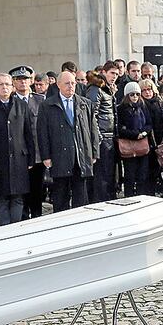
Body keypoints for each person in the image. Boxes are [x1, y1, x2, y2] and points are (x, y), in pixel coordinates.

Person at [37, 71, 99, 212]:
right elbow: (42, 133)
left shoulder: (85, 104)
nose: (71, 86)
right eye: (67, 83)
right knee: (61, 196)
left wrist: (94, 153)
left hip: (81, 156)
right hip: (59, 156)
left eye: (73, 83)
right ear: (58, 85)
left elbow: (93, 130)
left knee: (81, 197)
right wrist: (46, 156)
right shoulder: (47, 106)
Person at [0, 73, 34, 226]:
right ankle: (3, 230)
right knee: (2, 198)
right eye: (0, 85)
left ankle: (16, 228)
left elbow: (28, 133)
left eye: (7, 84)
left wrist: (31, 157)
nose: (4, 87)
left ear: (12, 87)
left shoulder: (21, 105)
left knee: (18, 196)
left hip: (19, 158)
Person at [10, 66, 46, 219]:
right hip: (19, 154)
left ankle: (37, 217)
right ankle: (23, 218)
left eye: (25, 79)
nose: (22, 82)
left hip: (38, 153)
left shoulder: (40, 100)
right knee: (21, 191)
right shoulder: (10, 101)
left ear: (31, 81)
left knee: (37, 190)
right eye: (19, 79)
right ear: (14, 82)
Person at [87, 67, 118, 203]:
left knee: (109, 175)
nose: (114, 76)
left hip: (109, 137)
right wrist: (98, 137)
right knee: (101, 176)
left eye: (116, 74)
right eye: (112, 73)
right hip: (102, 138)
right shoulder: (95, 89)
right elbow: (91, 115)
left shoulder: (106, 89)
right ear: (104, 72)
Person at [117, 82, 153, 197]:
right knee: (130, 176)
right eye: (132, 94)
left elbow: (149, 124)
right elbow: (119, 128)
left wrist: (143, 133)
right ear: (127, 95)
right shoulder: (121, 109)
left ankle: (141, 197)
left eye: (137, 94)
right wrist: (134, 134)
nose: (135, 97)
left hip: (142, 145)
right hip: (129, 146)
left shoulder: (143, 106)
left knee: (142, 175)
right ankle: (129, 197)